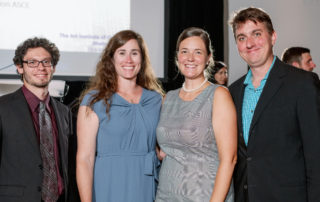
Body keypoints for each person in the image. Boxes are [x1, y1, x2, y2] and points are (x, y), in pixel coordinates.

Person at [228, 7, 320, 202]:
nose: (249, 43)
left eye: (257, 34)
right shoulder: (233, 91)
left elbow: (316, 156)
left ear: (273, 37)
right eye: (241, 38)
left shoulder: (302, 83)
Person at [76, 30, 164, 202]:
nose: (128, 60)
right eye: (122, 53)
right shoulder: (95, 101)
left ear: (142, 59)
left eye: (134, 53)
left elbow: (161, 146)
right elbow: (84, 160)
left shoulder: (156, 100)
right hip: (108, 185)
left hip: (146, 185)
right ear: (111, 59)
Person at [156, 27, 237, 202]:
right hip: (165, 195)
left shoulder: (218, 95)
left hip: (205, 196)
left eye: (198, 52)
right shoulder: (167, 99)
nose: (190, 58)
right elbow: (165, 151)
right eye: (184, 51)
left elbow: (229, 159)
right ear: (178, 56)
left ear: (208, 58)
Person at [0, 37, 74, 202]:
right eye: (32, 62)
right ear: (20, 67)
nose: (40, 67)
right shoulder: (2, 109)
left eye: (46, 62)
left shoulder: (64, 112)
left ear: (53, 67)